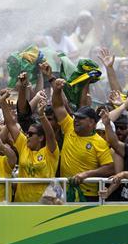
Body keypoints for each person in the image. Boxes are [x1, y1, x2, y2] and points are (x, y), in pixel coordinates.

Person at [49, 74, 114, 202]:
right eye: (76, 117)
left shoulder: (99, 142)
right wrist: (56, 90)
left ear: (91, 122)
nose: (76, 120)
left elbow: (110, 168)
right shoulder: (69, 127)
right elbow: (58, 106)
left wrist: (87, 174)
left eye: (80, 118)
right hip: (61, 191)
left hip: (87, 195)